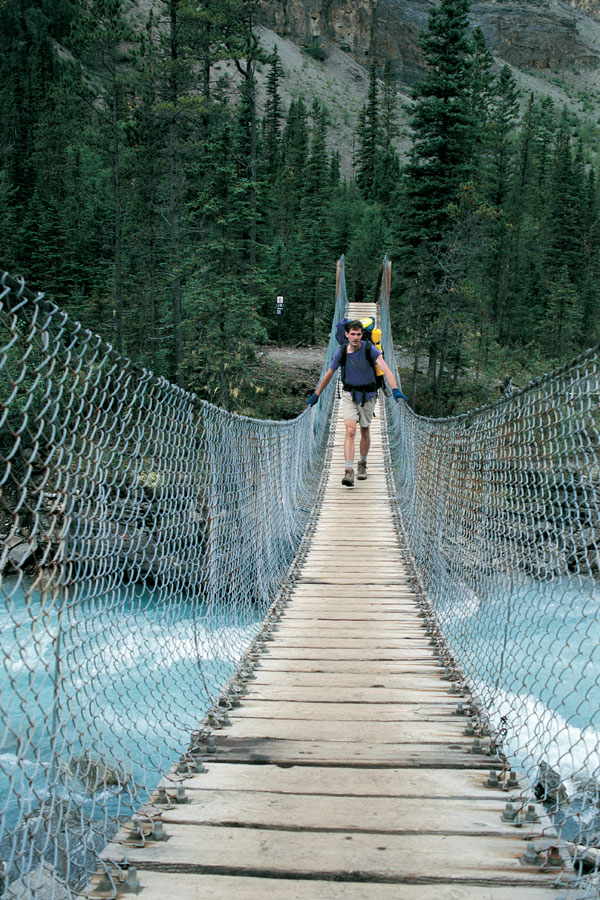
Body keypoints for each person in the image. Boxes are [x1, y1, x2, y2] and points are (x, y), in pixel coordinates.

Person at [307, 320, 407, 486]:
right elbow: (329, 373)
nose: (355, 337)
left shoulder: (370, 349)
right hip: (349, 394)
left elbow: (386, 369)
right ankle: (348, 471)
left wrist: (395, 389)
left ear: (361, 335)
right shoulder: (341, 352)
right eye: (352, 334)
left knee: (365, 430)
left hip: (369, 394)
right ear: (346, 334)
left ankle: (362, 464)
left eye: (358, 334)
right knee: (351, 430)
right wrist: (317, 394)